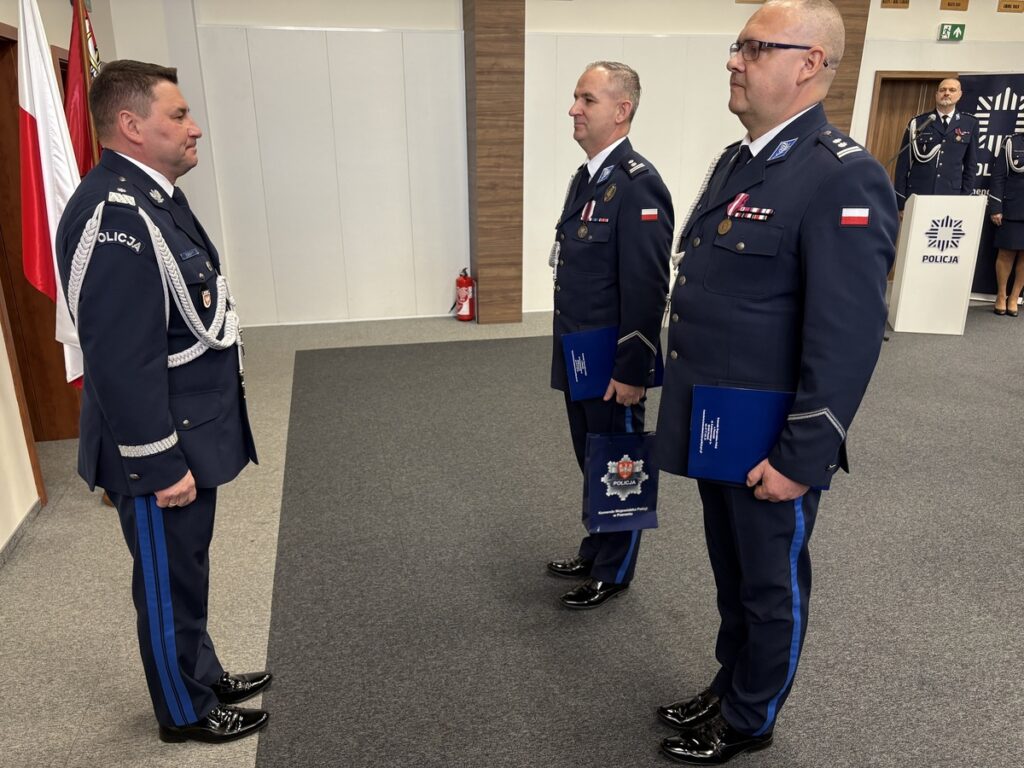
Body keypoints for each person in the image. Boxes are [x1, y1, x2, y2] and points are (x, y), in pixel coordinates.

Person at [651, 1, 897, 763]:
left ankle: (751, 717)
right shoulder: (739, 160)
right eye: (738, 46)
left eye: (755, 48)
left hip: (773, 435)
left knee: (769, 583)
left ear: (809, 64)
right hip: (720, 419)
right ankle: (731, 681)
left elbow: (847, 337)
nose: (734, 59)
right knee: (732, 575)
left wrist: (802, 457)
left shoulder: (841, 176)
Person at [56, 60, 270, 744]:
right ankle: (184, 709)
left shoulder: (152, 198)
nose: (193, 127)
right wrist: (159, 463)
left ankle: (201, 672)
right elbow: (121, 361)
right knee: (165, 578)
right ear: (130, 125)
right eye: (177, 115)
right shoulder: (114, 215)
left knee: (187, 567)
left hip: (188, 427)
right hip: (157, 444)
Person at [547, 62, 672, 609]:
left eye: (587, 100)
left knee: (619, 462)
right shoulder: (588, 178)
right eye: (576, 98)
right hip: (580, 350)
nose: (573, 109)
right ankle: (597, 547)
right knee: (590, 455)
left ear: (622, 111)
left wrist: (632, 369)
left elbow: (647, 287)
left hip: (613, 358)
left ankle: (614, 570)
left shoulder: (639, 184)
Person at [893, 77, 979, 212]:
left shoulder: (969, 123)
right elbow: (902, 165)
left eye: (952, 90)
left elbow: (971, 166)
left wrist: (963, 199)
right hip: (918, 194)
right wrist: (901, 202)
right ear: (936, 94)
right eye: (943, 90)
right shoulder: (918, 122)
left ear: (960, 95)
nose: (947, 93)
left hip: (950, 196)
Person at [988, 131, 1024, 316]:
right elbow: (998, 176)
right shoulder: (1012, 142)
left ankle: (1014, 297)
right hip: (1013, 207)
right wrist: (995, 206)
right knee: (1006, 253)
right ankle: (1001, 295)